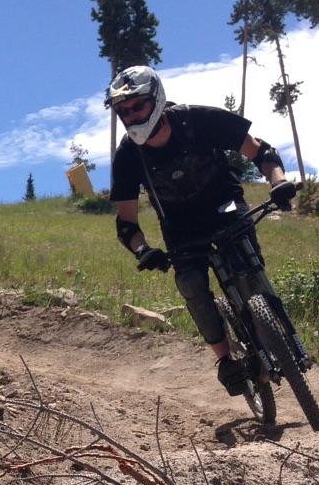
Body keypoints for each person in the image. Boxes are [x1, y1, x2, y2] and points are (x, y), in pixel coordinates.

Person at [107, 64, 297, 396]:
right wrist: (143, 250)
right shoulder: (127, 156)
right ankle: (225, 361)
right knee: (191, 284)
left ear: (156, 99)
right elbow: (126, 223)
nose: (131, 116)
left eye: (138, 106)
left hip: (225, 206)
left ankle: (277, 333)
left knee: (249, 267)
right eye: (124, 111)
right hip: (181, 228)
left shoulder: (196, 119)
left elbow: (260, 151)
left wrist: (278, 182)